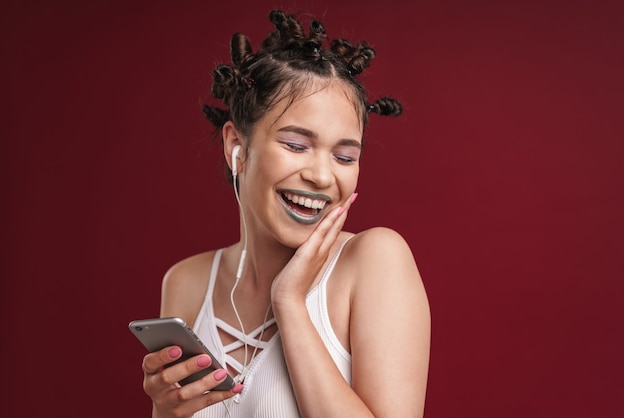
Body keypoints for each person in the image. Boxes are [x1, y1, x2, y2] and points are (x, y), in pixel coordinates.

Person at [141, 9, 430, 418]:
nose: (321, 175)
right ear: (236, 147)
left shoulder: (375, 261)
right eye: (296, 145)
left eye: (345, 156)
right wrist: (167, 412)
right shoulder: (186, 283)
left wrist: (290, 303)